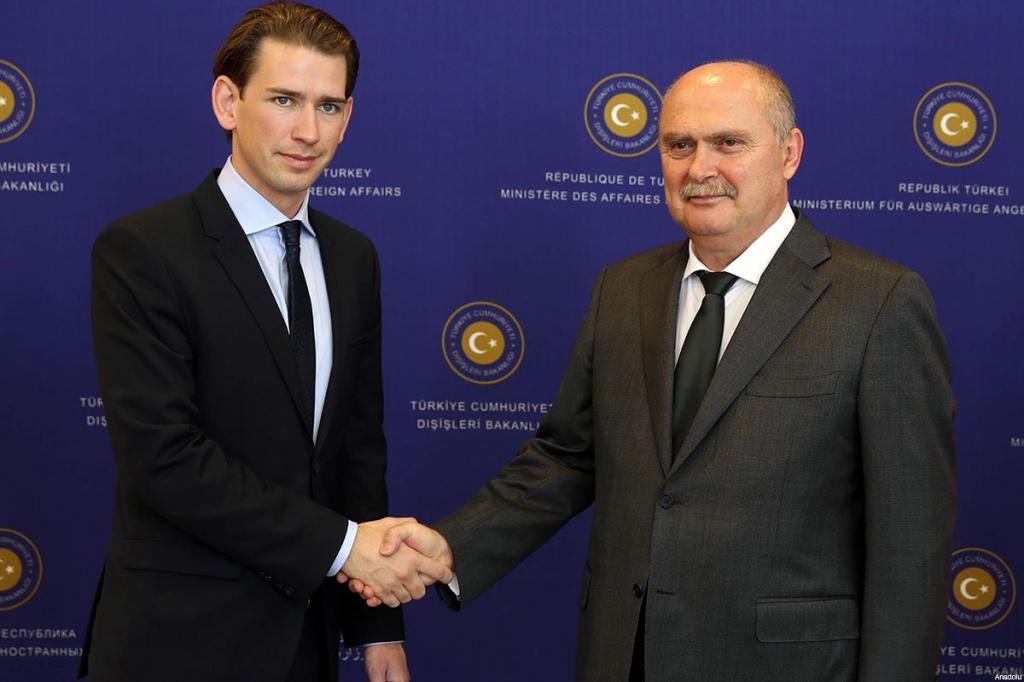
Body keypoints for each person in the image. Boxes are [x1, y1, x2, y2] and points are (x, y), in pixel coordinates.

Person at [349, 61, 957, 681]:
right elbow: (568, 457)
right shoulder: (624, 288)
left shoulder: (879, 302)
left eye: (729, 143)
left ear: (789, 153)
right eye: (679, 145)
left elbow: (910, 541)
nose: (700, 169)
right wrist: (452, 549)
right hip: (624, 657)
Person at [79, 3, 450, 681]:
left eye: (329, 106)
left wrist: (376, 629)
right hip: (177, 642)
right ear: (228, 101)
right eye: (284, 100)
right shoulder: (143, 251)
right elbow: (164, 458)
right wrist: (346, 549)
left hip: (306, 642)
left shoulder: (353, 257)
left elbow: (356, 452)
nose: (309, 131)